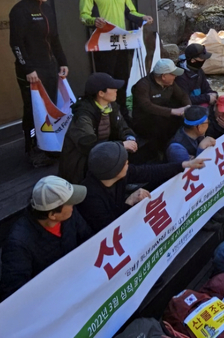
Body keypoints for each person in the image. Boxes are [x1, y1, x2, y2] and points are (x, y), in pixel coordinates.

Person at [79, 0, 154, 124]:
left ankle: (122, 115)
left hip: (122, 42)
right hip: (103, 43)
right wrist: (93, 20)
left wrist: (143, 17)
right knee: (105, 82)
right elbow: (83, 16)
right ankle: (105, 117)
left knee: (122, 79)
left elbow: (130, 12)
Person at [78, 142, 207, 233]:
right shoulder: (90, 197)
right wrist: (128, 203)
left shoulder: (122, 173)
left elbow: (149, 172)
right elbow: (107, 229)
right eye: (124, 163)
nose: (128, 163)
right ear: (113, 171)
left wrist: (184, 165)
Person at [9, 0, 68, 167]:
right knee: (33, 111)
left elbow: (55, 39)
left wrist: (63, 62)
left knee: (50, 106)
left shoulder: (47, 9)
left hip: (49, 67)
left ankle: (50, 146)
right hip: (31, 71)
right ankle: (33, 149)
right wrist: (28, 69)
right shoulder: (20, 11)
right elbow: (16, 44)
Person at [0, 176, 92, 298]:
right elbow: (15, 294)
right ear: (53, 215)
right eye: (69, 203)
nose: (73, 205)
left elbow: (88, 239)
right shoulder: (18, 244)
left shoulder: (70, 215)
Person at [59, 73, 137, 184]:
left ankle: (122, 181)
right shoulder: (83, 115)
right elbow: (88, 145)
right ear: (101, 93)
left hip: (105, 151)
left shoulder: (112, 106)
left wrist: (130, 138)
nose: (116, 90)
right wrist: (121, 145)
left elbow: (123, 127)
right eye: (112, 87)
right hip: (81, 164)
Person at [132, 59, 191, 152]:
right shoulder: (143, 85)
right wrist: (172, 111)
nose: (175, 77)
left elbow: (182, 95)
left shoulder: (170, 84)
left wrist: (188, 107)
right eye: (173, 74)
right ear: (164, 76)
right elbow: (146, 106)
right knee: (161, 126)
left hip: (164, 116)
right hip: (145, 120)